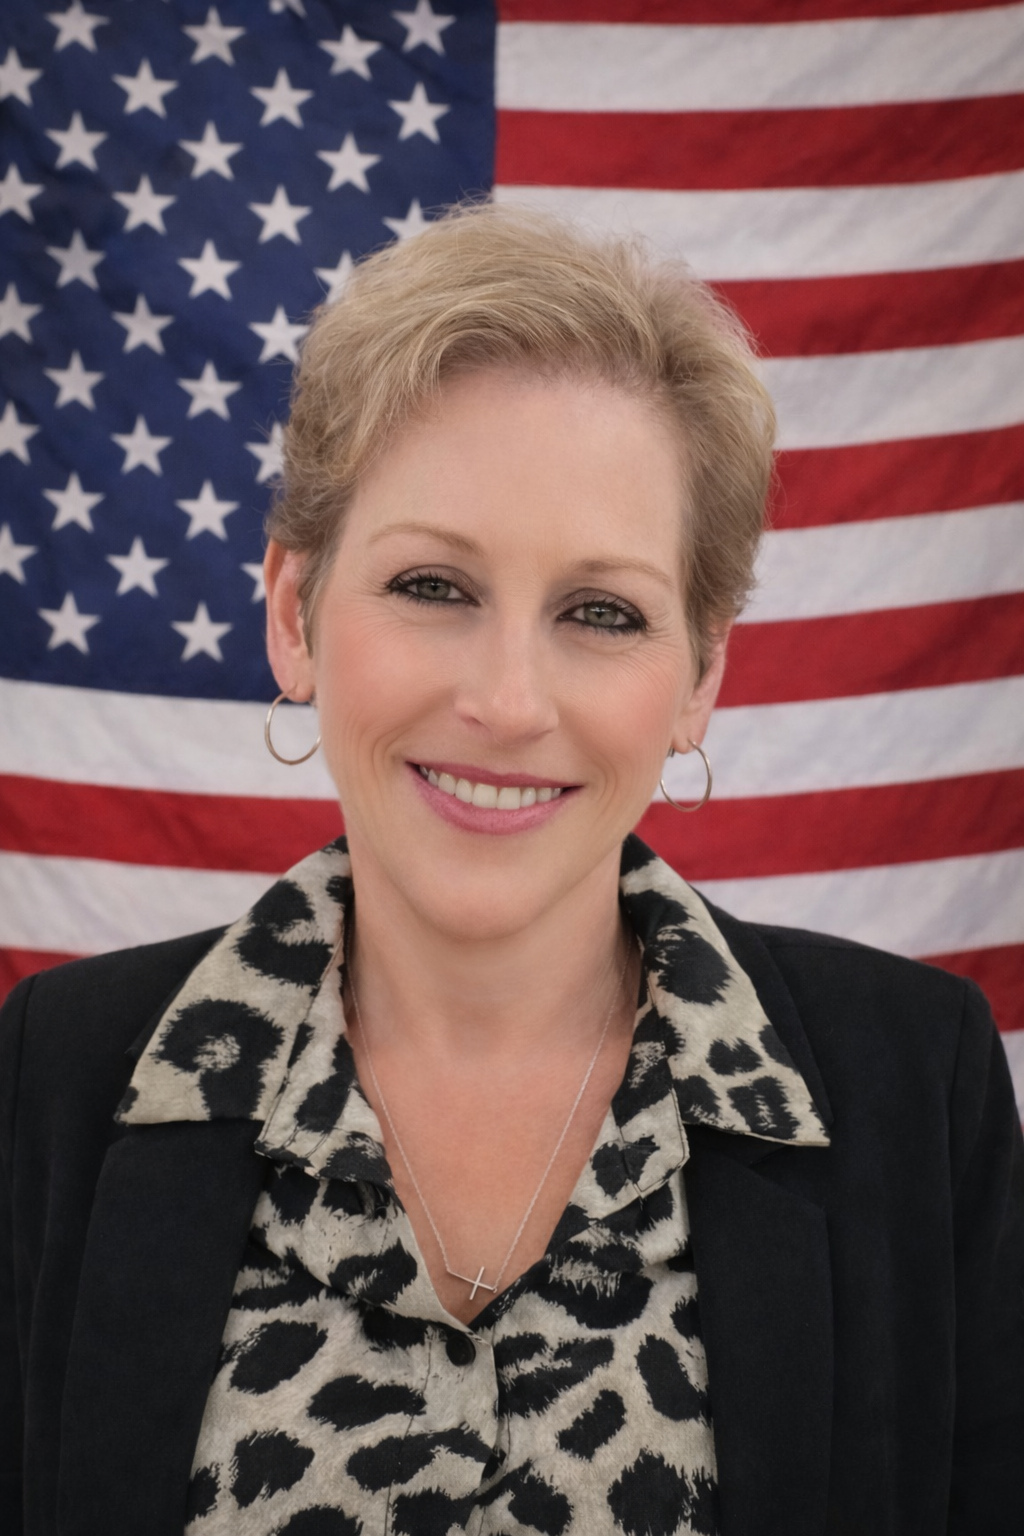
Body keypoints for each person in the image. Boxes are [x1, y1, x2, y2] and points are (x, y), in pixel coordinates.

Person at [1, 204, 1021, 1536]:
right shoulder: (53, 1080)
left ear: (700, 676)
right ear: (293, 616)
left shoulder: (914, 1088)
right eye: (433, 586)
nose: (508, 699)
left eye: (601, 612)